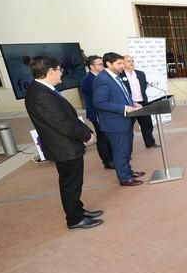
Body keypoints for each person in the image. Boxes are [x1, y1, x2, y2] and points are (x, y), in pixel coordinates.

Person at [24, 56, 102, 229]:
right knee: (70, 185)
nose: (62, 73)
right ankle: (74, 219)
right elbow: (62, 123)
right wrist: (86, 135)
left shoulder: (42, 90)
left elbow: (67, 117)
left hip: (65, 145)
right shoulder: (41, 95)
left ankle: (78, 210)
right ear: (51, 71)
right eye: (60, 70)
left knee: (73, 183)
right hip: (63, 147)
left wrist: (85, 130)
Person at [93, 52, 144, 187]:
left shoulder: (116, 77)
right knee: (120, 151)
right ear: (109, 64)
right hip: (114, 122)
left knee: (127, 149)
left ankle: (128, 171)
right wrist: (124, 108)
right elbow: (99, 103)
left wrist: (132, 102)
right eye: (119, 63)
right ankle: (124, 178)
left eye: (123, 63)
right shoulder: (102, 79)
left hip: (124, 120)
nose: (122, 66)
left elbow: (121, 94)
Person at [81, 55, 114, 169]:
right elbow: (97, 98)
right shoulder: (87, 80)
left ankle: (113, 157)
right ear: (91, 66)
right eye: (99, 64)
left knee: (110, 135)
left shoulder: (104, 76)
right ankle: (107, 161)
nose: (102, 66)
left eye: (102, 63)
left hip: (107, 112)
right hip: (97, 113)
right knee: (102, 137)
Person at [122, 55, 160, 149]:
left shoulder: (140, 74)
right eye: (128, 61)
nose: (131, 63)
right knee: (128, 129)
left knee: (147, 125)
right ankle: (127, 150)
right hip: (129, 105)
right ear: (123, 63)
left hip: (142, 103)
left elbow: (144, 87)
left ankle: (150, 143)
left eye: (132, 61)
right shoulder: (120, 75)